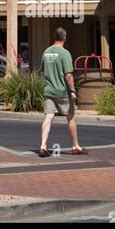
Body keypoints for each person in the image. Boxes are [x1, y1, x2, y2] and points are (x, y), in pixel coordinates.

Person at [39, 27, 89, 157]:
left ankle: (43, 146)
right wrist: (72, 90)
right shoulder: (65, 53)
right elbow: (68, 75)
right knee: (71, 117)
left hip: (48, 90)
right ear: (64, 38)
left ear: (54, 37)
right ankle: (75, 146)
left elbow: (43, 71)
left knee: (48, 116)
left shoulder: (46, 52)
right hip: (62, 92)